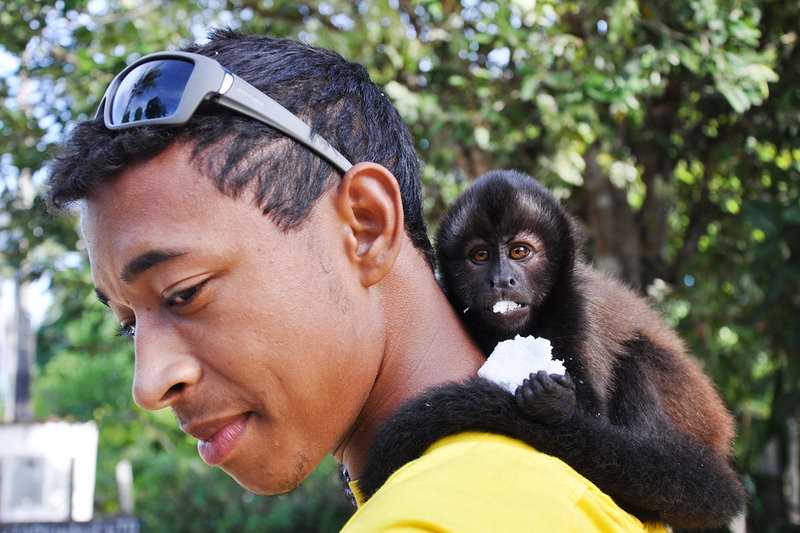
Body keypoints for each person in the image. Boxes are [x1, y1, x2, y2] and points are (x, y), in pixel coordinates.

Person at [47, 30, 668, 532]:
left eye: (184, 293)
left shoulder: (440, 517)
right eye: (130, 326)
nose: (149, 384)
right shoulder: (564, 486)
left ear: (366, 227)